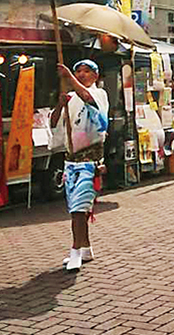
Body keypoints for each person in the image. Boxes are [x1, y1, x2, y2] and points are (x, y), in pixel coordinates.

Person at [50, 59, 109, 272]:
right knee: (78, 208)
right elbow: (54, 122)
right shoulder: (72, 97)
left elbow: (87, 98)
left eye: (87, 71)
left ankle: (75, 250)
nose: (82, 75)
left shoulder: (98, 94)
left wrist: (68, 76)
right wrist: (60, 104)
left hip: (90, 161)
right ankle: (85, 248)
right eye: (78, 71)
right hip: (71, 160)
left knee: (78, 208)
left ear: (95, 76)